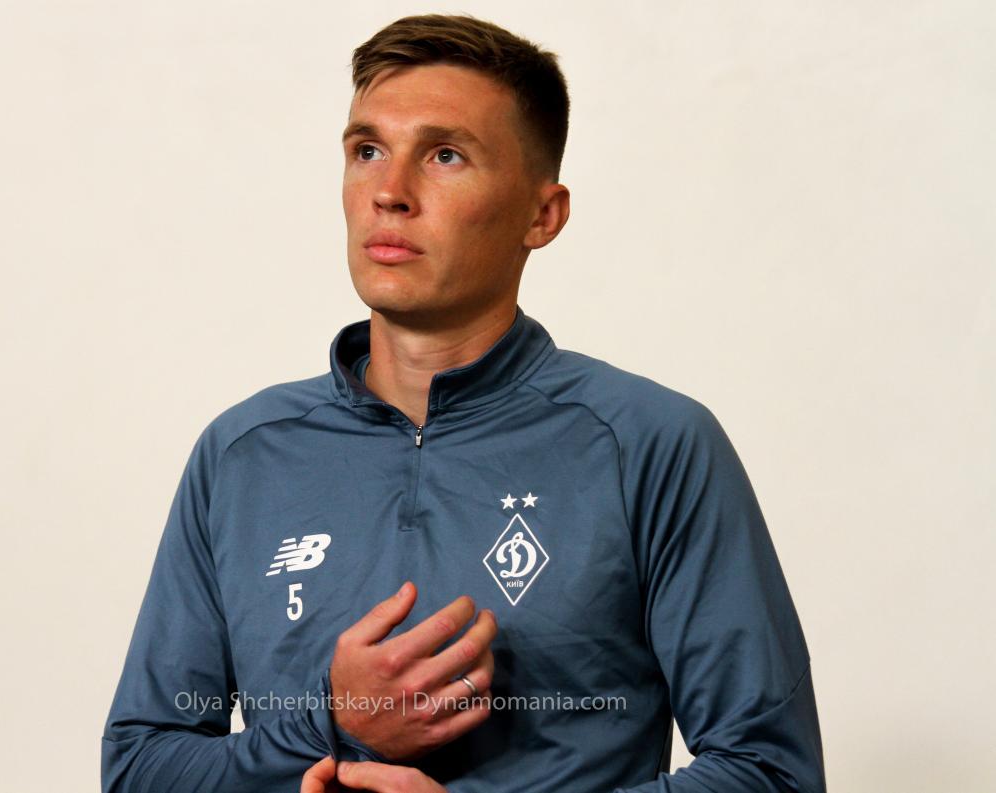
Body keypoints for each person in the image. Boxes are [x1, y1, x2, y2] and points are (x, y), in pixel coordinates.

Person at [101, 13, 826, 793]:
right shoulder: (242, 453)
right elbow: (140, 768)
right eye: (367, 150)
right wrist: (330, 721)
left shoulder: (650, 443)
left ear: (541, 215)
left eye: (445, 155)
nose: (389, 192)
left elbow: (771, 771)